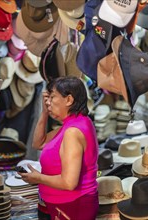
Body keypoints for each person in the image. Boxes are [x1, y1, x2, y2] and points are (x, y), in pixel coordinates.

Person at [19, 76, 99, 220]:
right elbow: (38, 143)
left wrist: (39, 178)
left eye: (53, 97)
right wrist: (44, 113)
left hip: (73, 206)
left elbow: (69, 182)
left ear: (69, 100)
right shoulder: (74, 122)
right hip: (63, 204)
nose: (48, 102)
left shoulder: (73, 132)